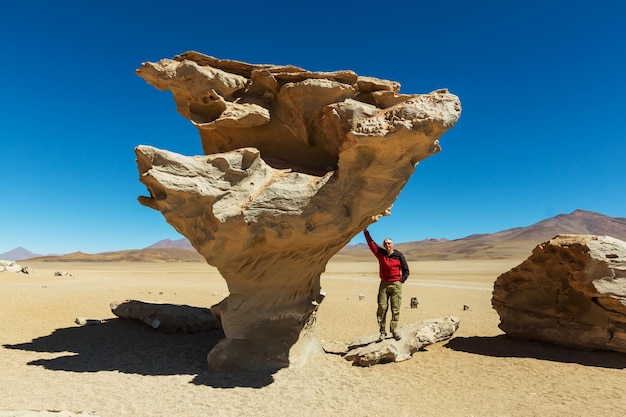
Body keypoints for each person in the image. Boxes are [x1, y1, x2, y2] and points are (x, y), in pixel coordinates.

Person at [364, 228, 410, 341]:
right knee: (382, 307)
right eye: (385, 243)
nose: (387, 245)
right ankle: (382, 332)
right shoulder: (381, 254)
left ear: (392, 244)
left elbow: (406, 270)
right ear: (384, 245)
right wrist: (365, 231)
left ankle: (394, 330)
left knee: (395, 309)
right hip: (384, 285)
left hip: (395, 285)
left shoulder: (399, 255)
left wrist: (400, 281)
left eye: (389, 243)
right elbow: (371, 244)